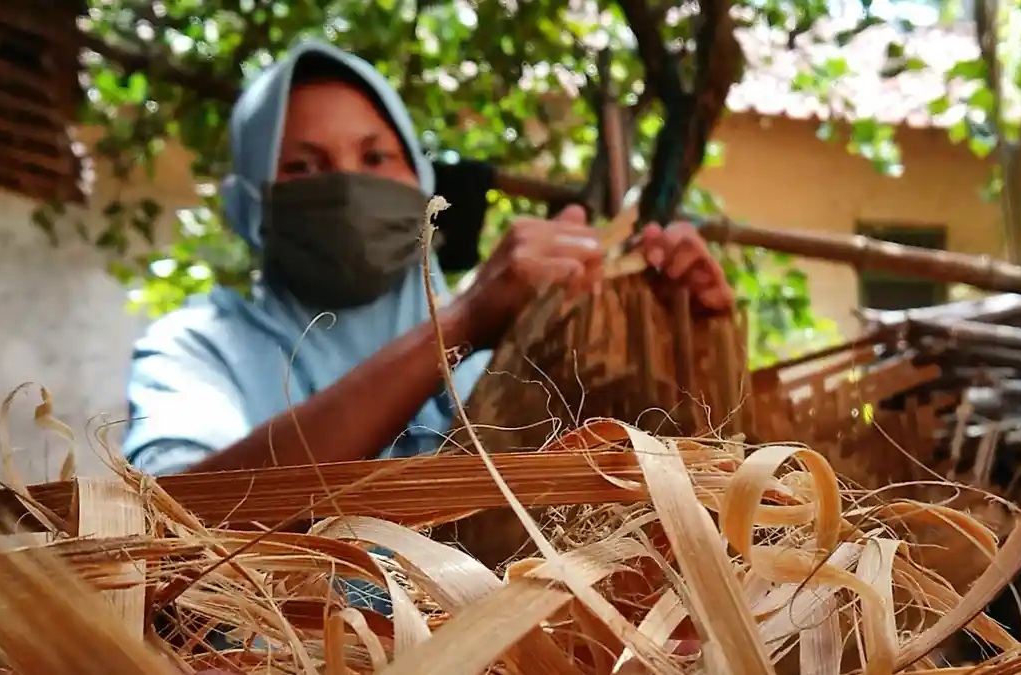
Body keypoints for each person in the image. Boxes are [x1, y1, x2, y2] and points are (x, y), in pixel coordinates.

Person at [122, 38, 734, 478]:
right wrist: (456, 327)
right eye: (303, 167)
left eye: (375, 158)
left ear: (419, 181)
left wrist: (677, 335)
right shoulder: (197, 347)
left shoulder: (521, 335)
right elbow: (178, 524)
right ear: (251, 203)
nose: (347, 188)